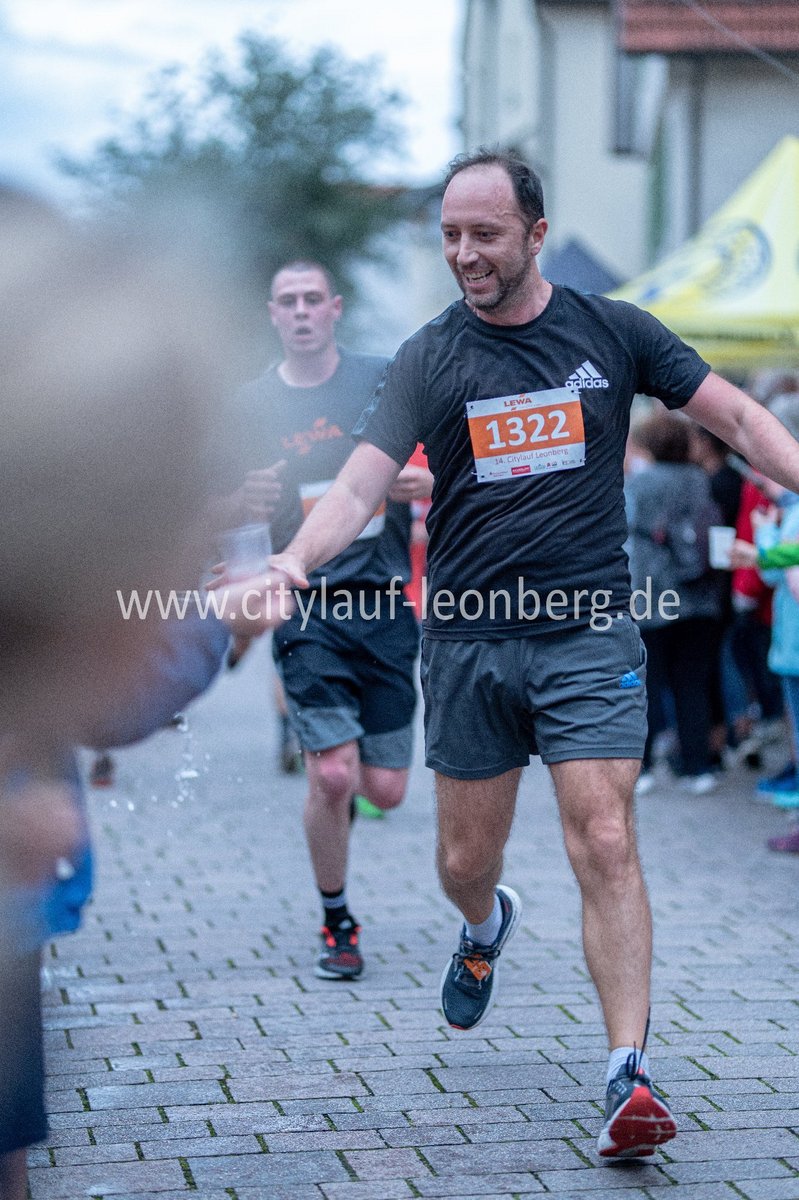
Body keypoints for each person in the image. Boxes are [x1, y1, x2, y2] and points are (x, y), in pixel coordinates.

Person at [242, 150, 799, 1160]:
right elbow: (361, 486)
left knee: (606, 837)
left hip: (588, 631)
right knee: (464, 863)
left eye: (485, 235)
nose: (465, 254)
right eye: (450, 236)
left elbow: (734, 416)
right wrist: (290, 560)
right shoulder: (427, 356)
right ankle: (483, 922)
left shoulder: (613, 331)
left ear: (536, 234)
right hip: (468, 639)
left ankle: (627, 1073)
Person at [233, 260, 431, 981]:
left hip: (384, 604)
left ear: (335, 308)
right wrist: (239, 507)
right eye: (287, 300)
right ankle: (337, 919)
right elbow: (223, 507)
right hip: (306, 605)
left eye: (312, 298)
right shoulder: (250, 404)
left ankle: (337, 801)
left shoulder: (381, 378)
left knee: (386, 790)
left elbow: (443, 465)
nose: (301, 310)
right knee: (335, 774)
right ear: (272, 313)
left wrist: (417, 482)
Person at [626, 412, 722, 793]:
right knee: (692, 683)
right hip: (699, 594)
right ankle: (698, 767)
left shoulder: (640, 483)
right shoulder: (699, 480)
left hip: (653, 596)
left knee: (646, 684)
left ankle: (643, 766)